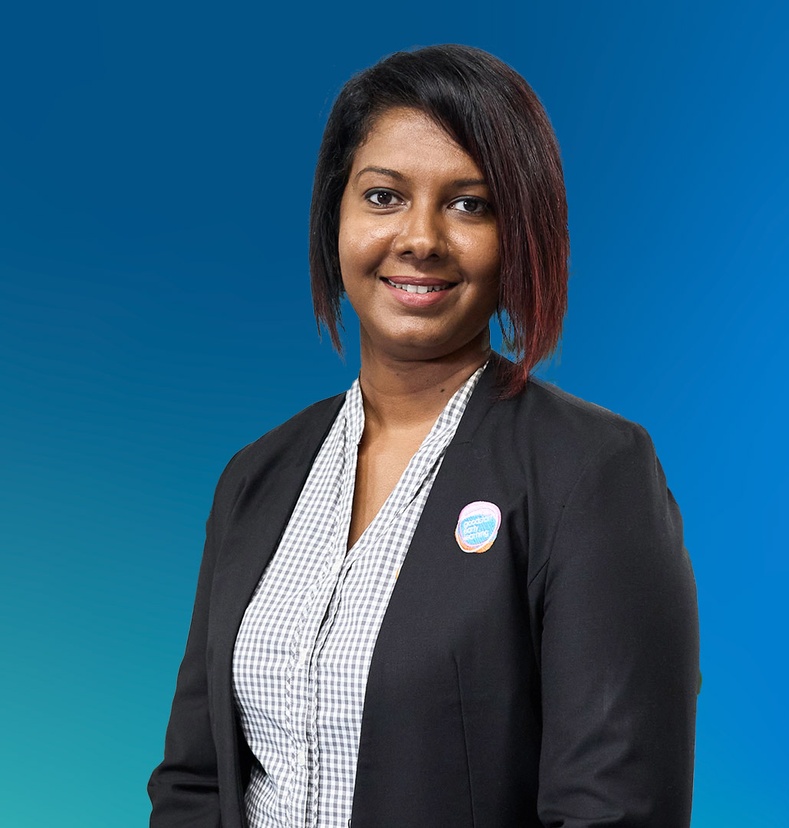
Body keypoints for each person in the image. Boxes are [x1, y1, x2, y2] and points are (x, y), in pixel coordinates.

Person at [148, 44, 700, 828]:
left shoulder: (592, 472)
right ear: (335, 217)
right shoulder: (255, 477)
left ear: (521, 237)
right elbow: (194, 784)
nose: (421, 238)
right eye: (383, 196)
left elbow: (615, 811)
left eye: (470, 205)